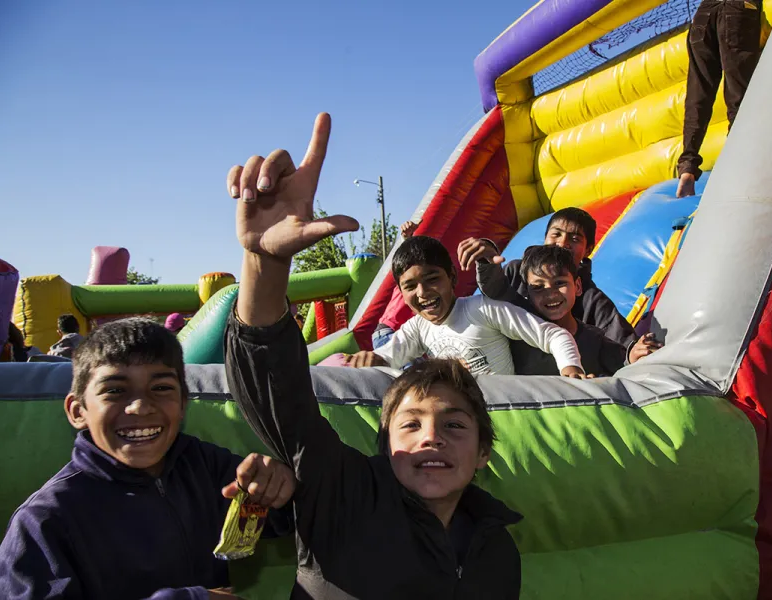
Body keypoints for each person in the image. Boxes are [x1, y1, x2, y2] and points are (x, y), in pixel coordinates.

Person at [223, 111, 523, 598]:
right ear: (384, 446)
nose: (431, 438)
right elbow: (277, 392)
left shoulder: (497, 551)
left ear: (483, 452)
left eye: (454, 425)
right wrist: (265, 261)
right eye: (411, 425)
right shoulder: (343, 496)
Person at [0, 317, 296, 599]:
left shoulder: (203, 466)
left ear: (182, 403)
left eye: (161, 388)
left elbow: (277, 517)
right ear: (78, 411)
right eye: (115, 390)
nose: (140, 407)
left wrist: (280, 487)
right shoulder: (44, 520)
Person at [349, 235, 585, 377]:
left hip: (505, 414)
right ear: (401, 293)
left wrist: (571, 370)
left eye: (432, 279)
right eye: (410, 286)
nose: (422, 292)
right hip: (461, 427)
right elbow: (386, 356)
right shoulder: (417, 328)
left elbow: (553, 334)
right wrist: (367, 360)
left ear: (452, 277)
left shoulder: (482, 309)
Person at [459, 207, 637, 350]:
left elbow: (621, 344)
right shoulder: (516, 271)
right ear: (545, 238)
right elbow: (494, 290)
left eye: (574, 239)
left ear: (588, 250)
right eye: (556, 234)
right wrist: (487, 263)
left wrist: (634, 351)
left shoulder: (592, 301)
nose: (562, 243)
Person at [511, 245, 662, 376]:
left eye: (559, 283)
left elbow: (622, 363)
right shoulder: (517, 338)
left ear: (577, 286)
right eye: (538, 287)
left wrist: (633, 356)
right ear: (527, 293)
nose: (550, 294)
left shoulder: (594, 341)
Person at [676, 0, 763, 198]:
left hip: (704, 14)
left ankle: (688, 166)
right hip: (738, 8)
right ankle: (740, 163)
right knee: (739, 94)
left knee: (698, 94)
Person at [371, 219, 420, 349]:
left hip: (394, 334)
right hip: (388, 333)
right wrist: (406, 238)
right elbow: (406, 259)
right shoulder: (409, 277)